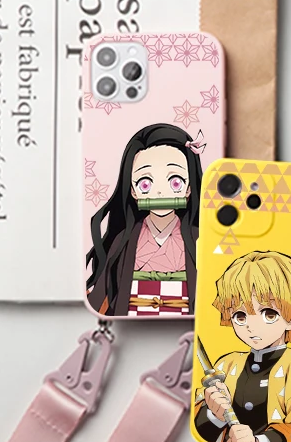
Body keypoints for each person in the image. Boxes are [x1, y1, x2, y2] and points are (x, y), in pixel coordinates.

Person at [194, 251, 291, 442]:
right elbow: (200, 431)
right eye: (240, 316)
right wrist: (214, 415)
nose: (252, 326)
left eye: (269, 314)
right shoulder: (226, 365)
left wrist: (261, 441)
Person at [86, 123, 203, 317]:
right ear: (133, 190)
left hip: (185, 324)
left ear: (189, 188)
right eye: (145, 183)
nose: (160, 192)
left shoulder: (199, 239)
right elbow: (101, 295)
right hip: (132, 324)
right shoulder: (124, 240)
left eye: (175, 182)